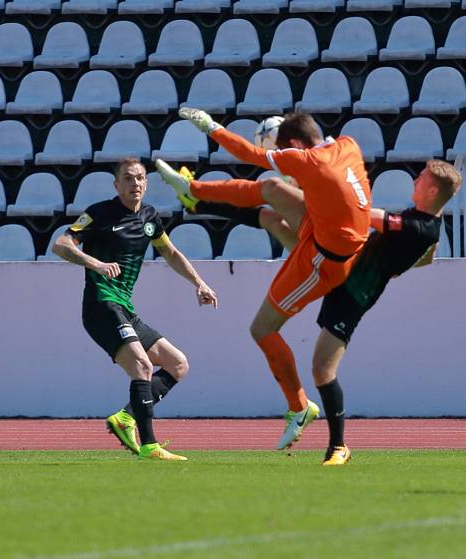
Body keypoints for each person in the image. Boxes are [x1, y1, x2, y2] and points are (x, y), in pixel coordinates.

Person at [167, 160, 461, 465]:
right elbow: (427, 258)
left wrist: (325, 196)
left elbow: (364, 217)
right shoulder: (428, 225)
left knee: (322, 369)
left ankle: (338, 446)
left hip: (352, 293)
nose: (415, 180)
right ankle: (196, 202)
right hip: (339, 262)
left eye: (421, 178)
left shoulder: (421, 227)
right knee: (272, 217)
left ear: (433, 189)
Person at [156, 109, 371, 451]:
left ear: (298, 145)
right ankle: (194, 197)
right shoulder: (349, 144)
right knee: (270, 192)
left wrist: (211, 127)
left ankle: (299, 408)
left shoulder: (308, 160)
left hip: (323, 261)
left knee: (262, 329)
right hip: (327, 232)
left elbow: (250, 154)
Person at [53, 158, 218, 461]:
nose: (136, 184)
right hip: (101, 305)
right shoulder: (99, 214)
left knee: (178, 364)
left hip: (125, 309)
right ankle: (150, 446)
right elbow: (61, 245)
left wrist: (199, 283)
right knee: (142, 366)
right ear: (116, 185)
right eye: (128, 179)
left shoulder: (149, 217)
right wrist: (97, 264)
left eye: (141, 178)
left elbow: (169, 251)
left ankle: (126, 417)